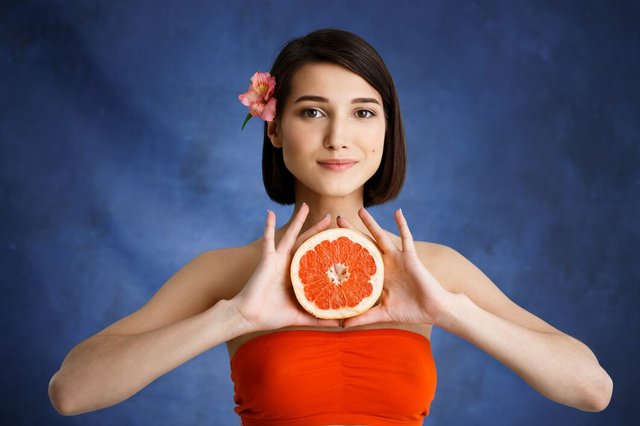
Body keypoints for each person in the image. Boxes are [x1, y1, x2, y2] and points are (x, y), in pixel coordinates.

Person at [48, 28, 613, 425]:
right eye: (312, 111)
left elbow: (592, 390)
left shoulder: (433, 270)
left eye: (364, 112)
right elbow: (72, 392)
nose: (338, 136)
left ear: (386, 131)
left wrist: (450, 312)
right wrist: (234, 318)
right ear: (274, 130)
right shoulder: (230, 274)